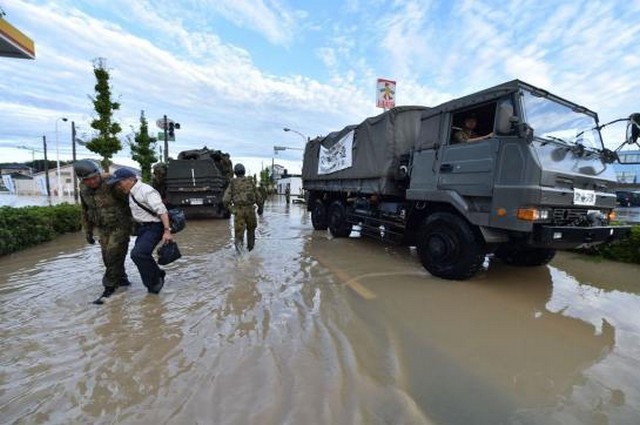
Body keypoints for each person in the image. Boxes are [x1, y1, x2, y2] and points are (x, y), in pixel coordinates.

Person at [74, 160, 132, 304]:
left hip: (120, 226)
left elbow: (131, 196)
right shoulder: (83, 189)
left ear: (99, 174)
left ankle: (109, 289)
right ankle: (123, 281)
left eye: (95, 177)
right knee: (107, 258)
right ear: (82, 180)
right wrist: (87, 231)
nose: (93, 182)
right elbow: (85, 210)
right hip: (103, 228)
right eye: (88, 180)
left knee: (113, 255)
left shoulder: (112, 183)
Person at [106, 168, 173, 294]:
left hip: (155, 226)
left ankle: (154, 283)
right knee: (137, 255)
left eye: (120, 182)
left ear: (131, 180)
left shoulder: (146, 191)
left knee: (138, 254)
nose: (119, 186)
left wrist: (167, 231)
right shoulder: (131, 191)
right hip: (143, 228)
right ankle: (156, 278)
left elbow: (162, 211)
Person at [223, 163, 264, 252]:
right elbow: (259, 197)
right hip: (250, 211)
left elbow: (225, 200)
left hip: (239, 211)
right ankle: (250, 252)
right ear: (244, 171)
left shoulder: (232, 183)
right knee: (251, 232)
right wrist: (260, 209)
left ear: (235, 172)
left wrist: (231, 209)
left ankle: (239, 257)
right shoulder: (250, 181)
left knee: (238, 234)